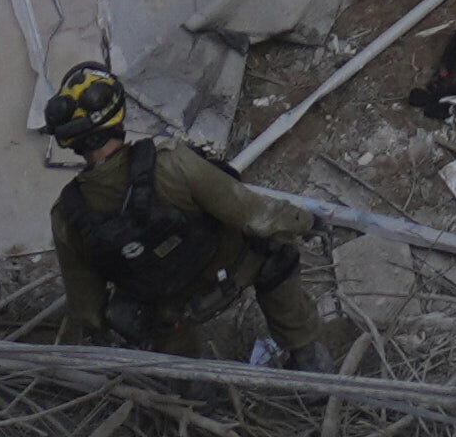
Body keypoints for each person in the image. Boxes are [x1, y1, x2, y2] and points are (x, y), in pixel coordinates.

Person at [42, 62, 341, 362]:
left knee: (147, 329)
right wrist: (308, 222)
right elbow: (259, 217)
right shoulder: (173, 166)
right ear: (118, 120)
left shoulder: (66, 216)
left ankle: (189, 393)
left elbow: (87, 309)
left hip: (169, 315)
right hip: (230, 274)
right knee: (277, 248)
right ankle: (306, 356)